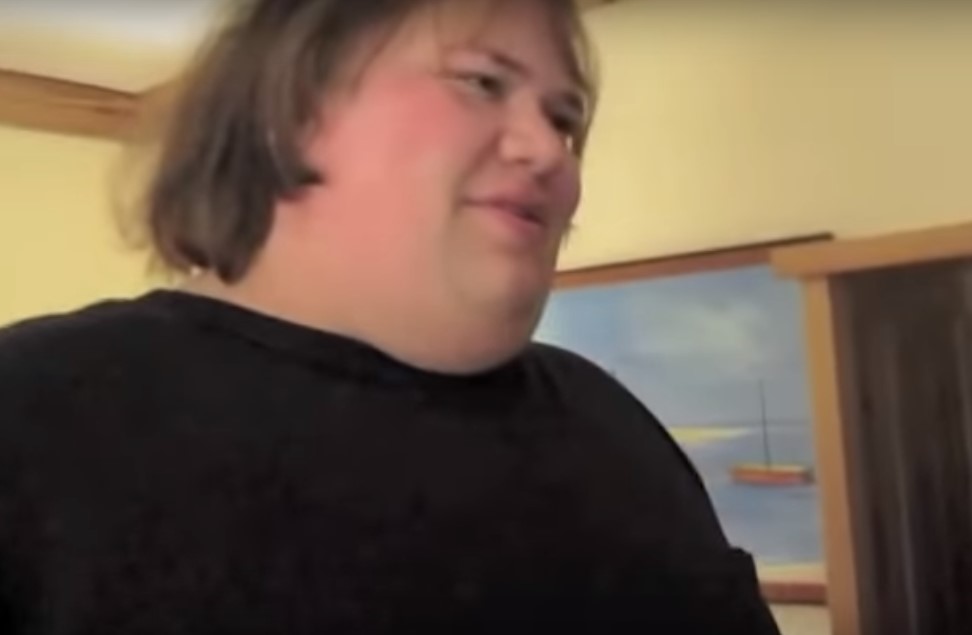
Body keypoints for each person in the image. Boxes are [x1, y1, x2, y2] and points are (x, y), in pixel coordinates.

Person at [0, 0, 783, 633]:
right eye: (482, 82)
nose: (549, 150)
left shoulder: (615, 424)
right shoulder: (34, 414)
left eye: (564, 118)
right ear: (290, 109)